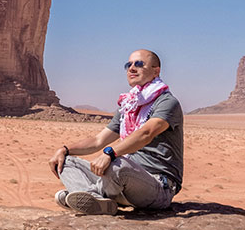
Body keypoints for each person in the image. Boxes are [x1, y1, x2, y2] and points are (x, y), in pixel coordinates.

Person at [48, 49, 183, 215]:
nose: (131, 68)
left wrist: (110, 154)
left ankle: (90, 194)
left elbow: (146, 133)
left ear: (156, 71)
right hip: (121, 183)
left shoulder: (167, 102)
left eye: (139, 64)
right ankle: (99, 200)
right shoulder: (129, 105)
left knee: (117, 165)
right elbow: (98, 141)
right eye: (128, 65)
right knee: (66, 163)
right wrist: (64, 150)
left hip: (158, 186)